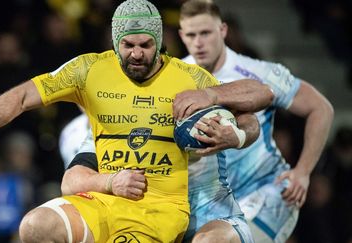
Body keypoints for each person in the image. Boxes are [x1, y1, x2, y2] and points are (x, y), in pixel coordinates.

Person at [0, 0, 273, 241]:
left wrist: (226, 120)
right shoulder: (88, 71)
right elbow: (20, 96)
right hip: (104, 200)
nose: (137, 54)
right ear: (115, 42)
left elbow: (256, 104)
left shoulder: (190, 78)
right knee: (34, 227)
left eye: (146, 45)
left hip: (160, 208)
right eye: (128, 45)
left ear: (159, 42)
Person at [62, 1, 334, 242]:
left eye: (205, 33)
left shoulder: (261, 73)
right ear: (181, 36)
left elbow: (320, 109)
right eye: (191, 35)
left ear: (223, 31)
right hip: (205, 198)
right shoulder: (174, 75)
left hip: (261, 192)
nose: (198, 42)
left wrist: (304, 171)